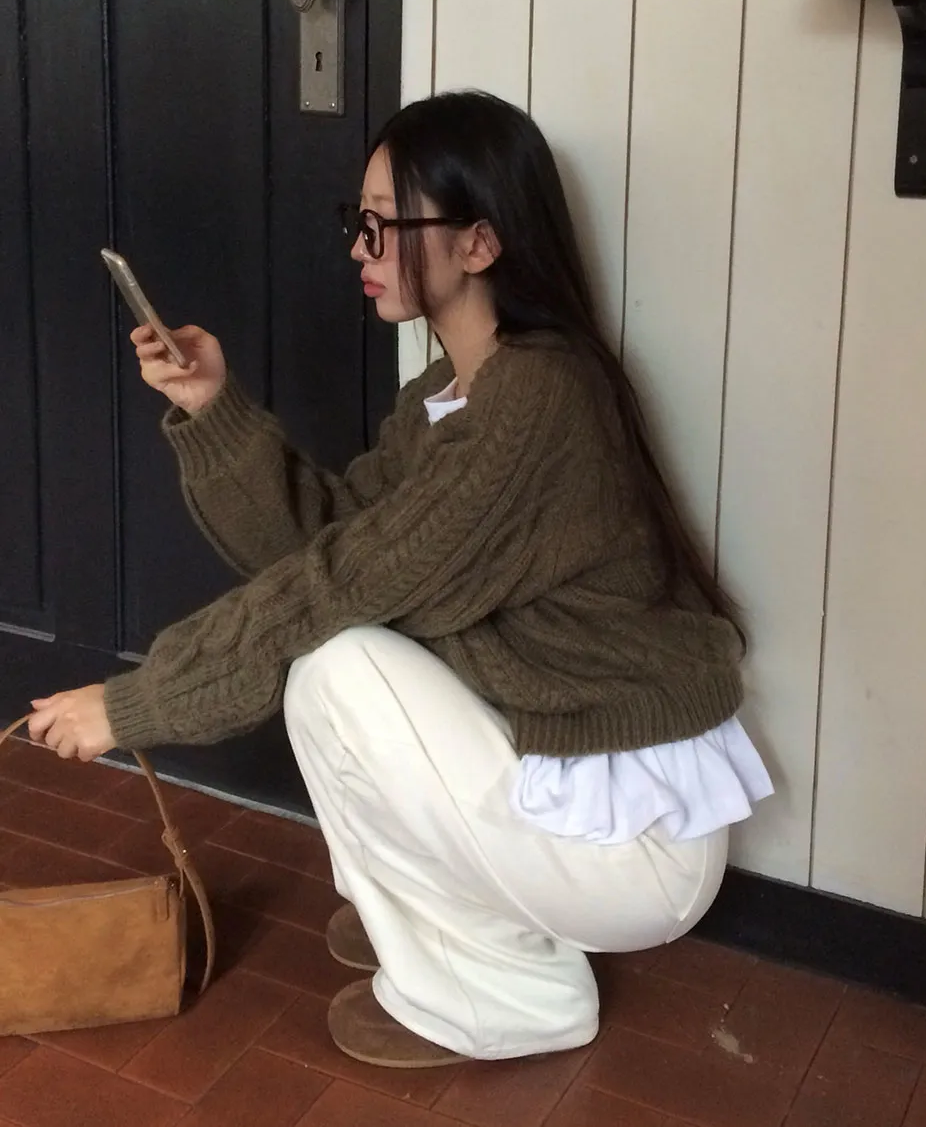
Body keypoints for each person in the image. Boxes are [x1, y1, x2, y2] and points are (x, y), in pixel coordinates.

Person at [27, 90, 772, 1069]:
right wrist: (212, 406)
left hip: (636, 846)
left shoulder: (538, 399)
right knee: (332, 653)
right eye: (359, 219)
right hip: (564, 783)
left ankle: (512, 997)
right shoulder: (451, 391)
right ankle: (445, 919)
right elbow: (330, 541)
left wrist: (134, 704)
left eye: (383, 224)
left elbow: (341, 583)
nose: (359, 247)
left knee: (336, 664)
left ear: (479, 243)